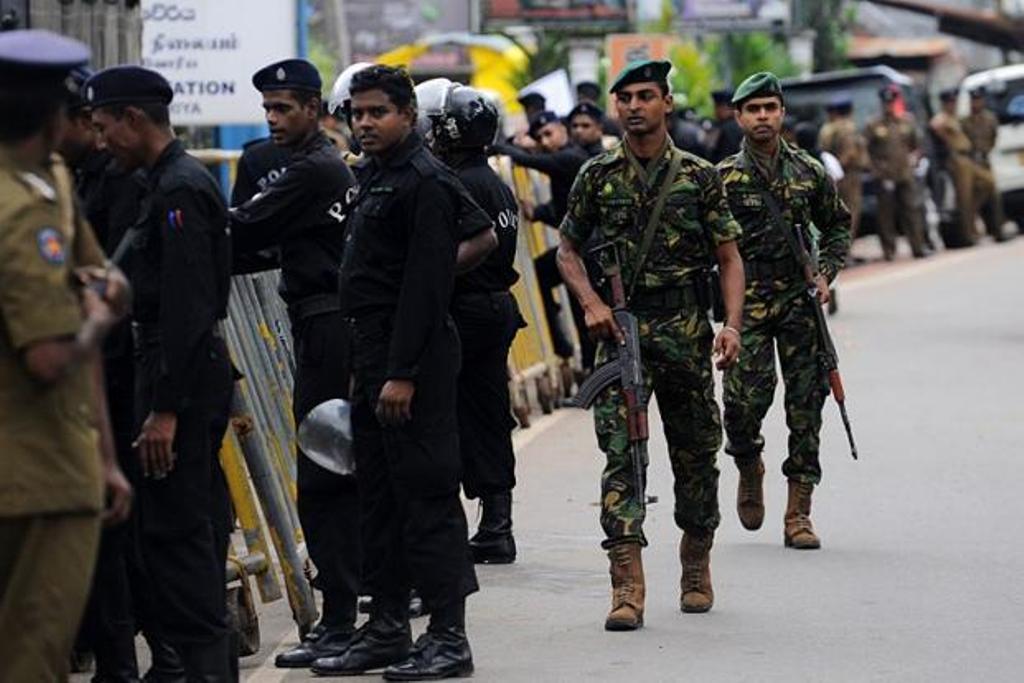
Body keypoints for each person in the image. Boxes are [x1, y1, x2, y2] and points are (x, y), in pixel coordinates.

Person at [312, 64, 488, 680]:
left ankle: (447, 637)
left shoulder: (424, 180)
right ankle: (387, 627)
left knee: (427, 497)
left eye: (377, 112)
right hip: (373, 355)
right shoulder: (377, 175)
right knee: (378, 501)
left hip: (412, 361)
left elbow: (425, 286)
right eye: (357, 114)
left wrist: (403, 371)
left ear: (408, 115)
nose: (364, 123)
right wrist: (369, 369)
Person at [557, 59, 745, 629]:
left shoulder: (699, 175)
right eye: (625, 98)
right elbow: (567, 249)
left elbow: (730, 257)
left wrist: (731, 325)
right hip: (619, 337)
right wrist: (590, 303)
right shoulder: (596, 174)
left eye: (645, 96)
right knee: (623, 457)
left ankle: (694, 562)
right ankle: (627, 586)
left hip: (686, 331)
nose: (634, 106)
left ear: (666, 102)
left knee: (696, 453)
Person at [86, 65, 237, 680]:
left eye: (104, 127)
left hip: (179, 378)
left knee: (179, 538)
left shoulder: (179, 189)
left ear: (133, 119)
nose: (100, 141)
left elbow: (188, 308)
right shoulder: (159, 182)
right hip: (168, 371)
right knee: (167, 535)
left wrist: (166, 408)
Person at [0, 29, 132, 682]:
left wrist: (104, 457)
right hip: (37, 478)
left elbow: (100, 280)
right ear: (53, 115)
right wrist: (98, 320)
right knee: (34, 656)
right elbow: (57, 355)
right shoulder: (22, 209)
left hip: (63, 458)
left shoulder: (49, 180)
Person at [228, 58, 364, 670]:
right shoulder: (322, 165)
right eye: (268, 109)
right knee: (336, 467)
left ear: (314, 108)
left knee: (324, 471)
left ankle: (340, 618)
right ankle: (351, 608)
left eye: (284, 108)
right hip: (327, 322)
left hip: (329, 325)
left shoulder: (312, 170)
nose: (273, 119)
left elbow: (244, 226)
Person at [61, 64, 185, 683]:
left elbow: (142, 289)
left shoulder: (132, 181)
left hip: (121, 376)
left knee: (131, 530)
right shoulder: (69, 179)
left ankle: (146, 659)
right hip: (100, 378)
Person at [717, 72, 852, 551]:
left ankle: (799, 511)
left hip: (799, 301)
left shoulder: (809, 171)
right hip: (747, 301)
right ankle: (749, 463)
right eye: (753, 109)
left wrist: (825, 273)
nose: (763, 117)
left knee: (805, 405)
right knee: (741, 404)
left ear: (782, 113)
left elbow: (837, 226)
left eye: (770, 108)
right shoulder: (724, 178)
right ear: (739, 117)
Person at [421, 82, 523, 565]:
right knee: (488, 417)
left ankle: (453, 531)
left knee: (445, 419)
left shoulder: (453, 182)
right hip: (497, 307)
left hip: (462, 311)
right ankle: (497, 527)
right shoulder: (496, 183)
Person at [490, 112, 595, 377]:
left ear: (561, 129)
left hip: (588, 250)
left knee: (584, 308)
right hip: (577, 247)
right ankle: (571, 352)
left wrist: (500, 145)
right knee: (546, 277)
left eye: (549, 134)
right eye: (540, 138)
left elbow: (529, 161)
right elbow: (562, 209)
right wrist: (537, 212)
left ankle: (588, 366)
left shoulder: (570, 157)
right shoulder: (565, 157)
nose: (546, 142)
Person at [931, 87, 1004, 245]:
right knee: (964, 198)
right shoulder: (943, 118)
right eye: (949, 102)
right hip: (958, 160)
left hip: (970, 159)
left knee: (987, 185)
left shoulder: (959, 117)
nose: (953, 104)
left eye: (954, 101)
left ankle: (978, 220)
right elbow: (936, 126)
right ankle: (968, 235)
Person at [864, 85, 928, 258]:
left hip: (905, 173)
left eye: (891, 102)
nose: (889, 106)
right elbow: (866, 152)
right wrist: (876, 172)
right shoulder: (873, 125)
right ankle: (889, 250)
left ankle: (918, 246)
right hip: (885, 176)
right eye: (886, 103)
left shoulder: (907, 121)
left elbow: (917, 146)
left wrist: (916, 161)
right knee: (886, 214)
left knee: (911, 209)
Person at [819, 93, 868, 247]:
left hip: (832, 174)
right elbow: (850, 154)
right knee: (850, 213)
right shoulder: (847, 128)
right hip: (847, 176)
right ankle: (844, 253)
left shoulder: (827, 128)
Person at [706, 89, 743, 164]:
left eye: (717, 107)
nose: (715, 111)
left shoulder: (728, 128)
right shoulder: (737, 124)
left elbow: (724, 155)